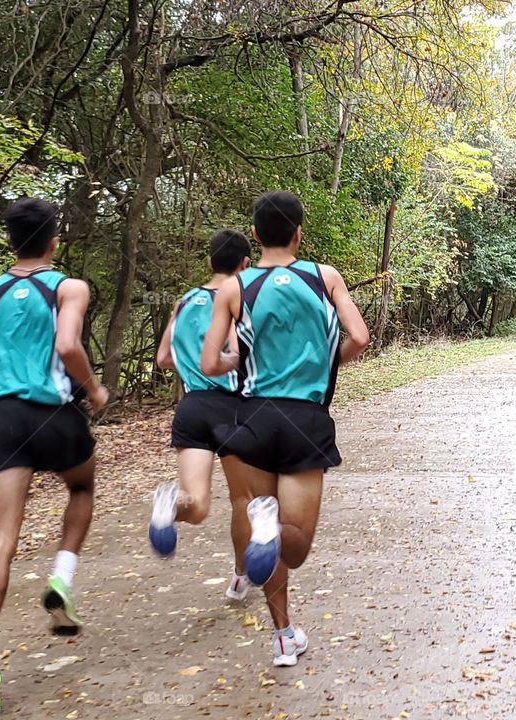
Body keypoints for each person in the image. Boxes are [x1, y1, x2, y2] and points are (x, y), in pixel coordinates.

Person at [200, 190, 369, 667]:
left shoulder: (234, 287)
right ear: (299, 232)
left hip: (252, 419)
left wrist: (239, 359)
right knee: (293, 546)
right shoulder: (324, 277)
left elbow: (210, 361)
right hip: (305, 420)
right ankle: (268, 530)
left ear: (254, 234)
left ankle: (283, 636)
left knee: (268, 529)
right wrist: (321, 361)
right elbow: (359, 336)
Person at [0, 197, 109, 715]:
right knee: (83, 487)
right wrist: (93, 389)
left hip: (4, 420)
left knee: (1, 535)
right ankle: (61, 579)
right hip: (56, 416)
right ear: (54, 240)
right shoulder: (68, 287)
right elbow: (68, 346)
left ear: (10, 243)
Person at [148, 228, 255, 602]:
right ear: (245, 264)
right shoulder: (240, 300)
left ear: (210, 261)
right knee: (242, 499)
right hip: (234, 407)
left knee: (196, 505)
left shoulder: (184, 301)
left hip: (192, 407)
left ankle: (169, 503)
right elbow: (240, 352)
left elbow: (163, 359)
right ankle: (240, 577)